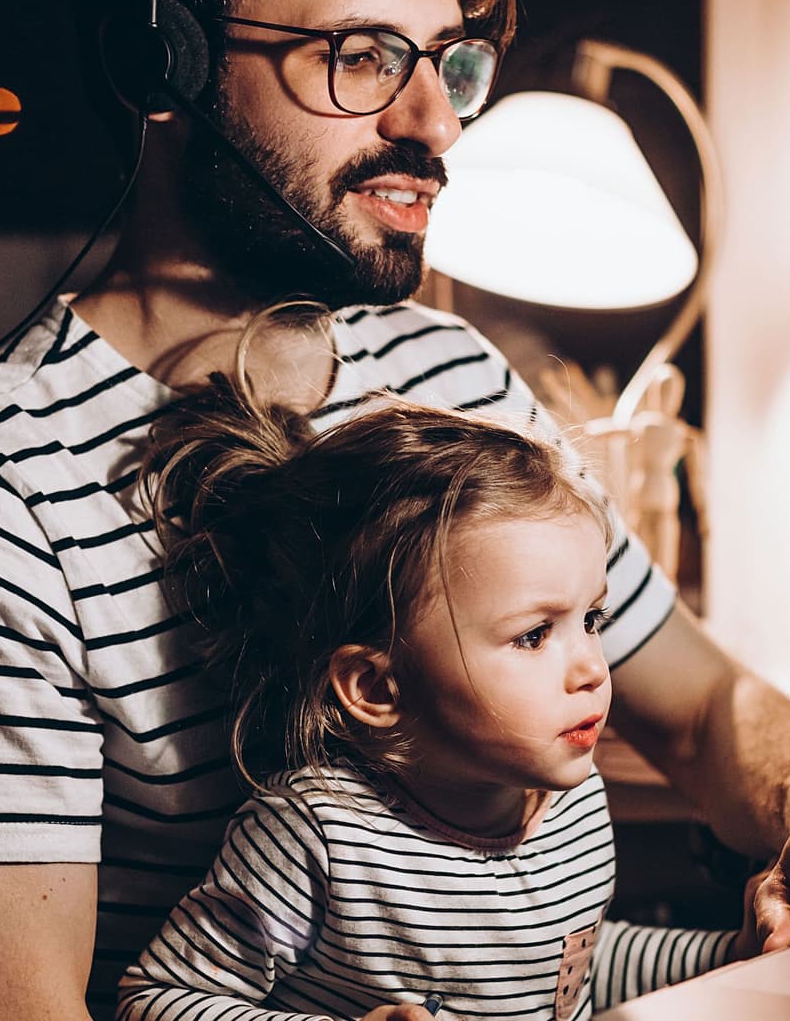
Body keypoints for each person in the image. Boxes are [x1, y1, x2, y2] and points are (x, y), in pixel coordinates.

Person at [0, 0, 790, 1016]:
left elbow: (705, 707)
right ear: (161, 67)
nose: (437, 123)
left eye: (448, 61)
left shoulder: (450, 370)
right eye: (359, 56)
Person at [116, 377, 749, 1020]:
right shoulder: (320, 839)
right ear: (376, 688)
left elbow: (568, 969)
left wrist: (732, 954)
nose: (591, 667)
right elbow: (157, 1001)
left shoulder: (575, 802)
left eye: (591, 620)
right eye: (534, 635)